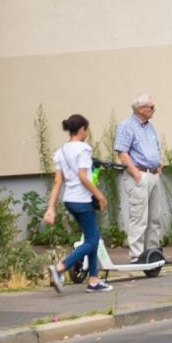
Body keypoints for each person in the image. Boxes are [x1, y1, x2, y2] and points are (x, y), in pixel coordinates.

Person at [45, 115, 110, 294]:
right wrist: (100, 196)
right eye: (87, 130)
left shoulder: (61, 152)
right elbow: (83, 177)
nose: (87, 133)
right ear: (81, 129)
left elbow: (58, 182)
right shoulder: (83, 149)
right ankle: (60, 267)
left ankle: (94, 280)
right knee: (92, 240)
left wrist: (50, 208)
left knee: (92, 237)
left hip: (69, 200)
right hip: (82, 200)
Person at [113, 93, 165, 264]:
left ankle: (152, 253)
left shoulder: (149, 126)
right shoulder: (126, 126)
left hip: (153, 174)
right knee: (139, 218)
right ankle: (136, 256)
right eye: (151, 107)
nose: (154, 110)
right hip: (139, 175)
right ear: (140, 109)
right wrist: (136, 173)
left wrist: (159, 167)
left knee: (154, 218)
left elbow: (157, 147)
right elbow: (122, 152)